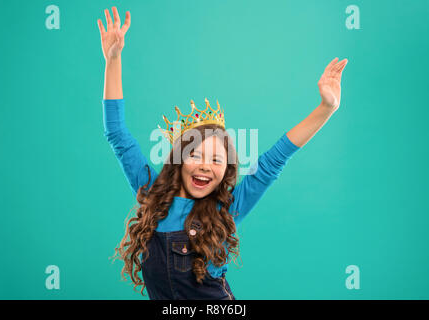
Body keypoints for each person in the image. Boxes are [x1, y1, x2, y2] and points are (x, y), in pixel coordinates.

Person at [97, 6, 348, 300]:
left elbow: (274, 160)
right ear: (177, 161)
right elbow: (118, 135)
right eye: (196, 156)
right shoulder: (150, 193)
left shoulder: (226, 209)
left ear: (225, 170)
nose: (206, 167)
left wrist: (326, 109)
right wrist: (113, 60)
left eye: (217, 160)